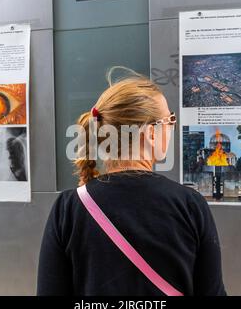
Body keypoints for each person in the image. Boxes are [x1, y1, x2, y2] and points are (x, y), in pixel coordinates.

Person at [37, 68, 226, 296]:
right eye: (170, 120)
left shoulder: (68, 209)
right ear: (151, 133)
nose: (172, 127)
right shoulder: (189, 205)